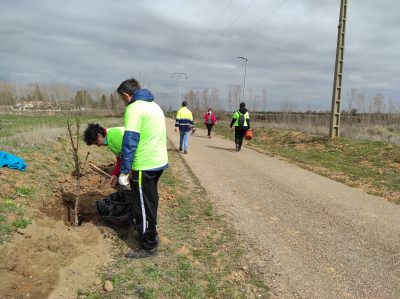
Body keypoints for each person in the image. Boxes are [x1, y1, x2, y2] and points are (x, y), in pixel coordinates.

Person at [117, 78, 168, 259]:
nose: (124, 103)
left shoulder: (134, 108)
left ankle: (148, 246)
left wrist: (124, 171)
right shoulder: (154, 105)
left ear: (126, 95)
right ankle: (152, 233)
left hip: (145, 165)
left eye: (123, 100)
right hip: (159, 162)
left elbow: (130, 141)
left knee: (142, 206)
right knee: (151, 200)